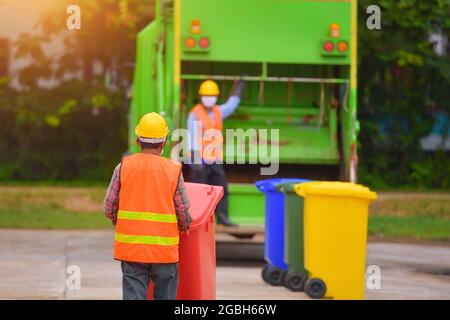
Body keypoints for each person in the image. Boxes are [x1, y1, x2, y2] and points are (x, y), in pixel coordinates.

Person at [104, 112, 192, 300]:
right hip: (164, 251)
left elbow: (109, 206)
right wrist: (184, 227)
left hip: (132, 250)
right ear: (164, 142)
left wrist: (115, 219)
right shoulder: (173, 170)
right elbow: (183, 211)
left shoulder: (123, 167)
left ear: (137, 140)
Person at [187, 78, 245, 227]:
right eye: (206, 95)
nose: (209, 98)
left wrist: (239, 87)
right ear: (201, 96)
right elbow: (191, 138)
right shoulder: (195, 114)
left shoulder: (219, 111)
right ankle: (196, 220)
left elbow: (232, 105)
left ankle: (223, 217)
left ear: (216, 97)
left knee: (222, 188)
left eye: (212, 95)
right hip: (200, 160)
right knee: (199, 192)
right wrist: (196, 161)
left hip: (214, 160)